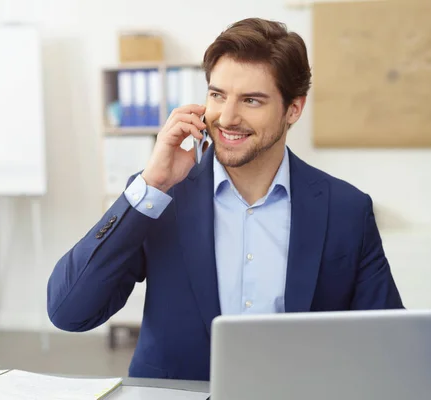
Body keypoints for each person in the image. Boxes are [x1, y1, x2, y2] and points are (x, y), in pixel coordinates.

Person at [47, 17, 403, 381]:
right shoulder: (161, 196)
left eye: (251, 100)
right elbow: (69, 311)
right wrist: (151, 184)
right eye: (217, 95)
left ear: (293, 109)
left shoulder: (346, 209)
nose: (227, 118)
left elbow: (390, 347)